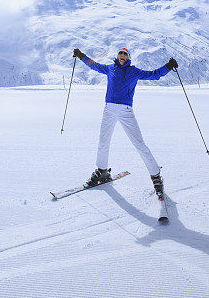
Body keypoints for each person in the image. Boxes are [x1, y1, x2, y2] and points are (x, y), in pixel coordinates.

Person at [72, 46, 177, 197]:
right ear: (117, 56)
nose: (122, 55)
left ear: (128, 57)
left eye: (125, 54)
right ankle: (102, 172)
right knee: (103, 141)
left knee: (139, 144)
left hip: (125, 110)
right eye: (120, 53)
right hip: (109, 109)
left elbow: (154, 75)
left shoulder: (133, 71)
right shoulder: (110, 69)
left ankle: (156, 176)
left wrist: (168, 67)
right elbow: (94, 65)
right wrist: (81, 56)